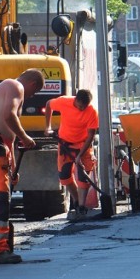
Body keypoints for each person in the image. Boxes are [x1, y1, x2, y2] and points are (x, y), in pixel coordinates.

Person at [0, 69, 44, 265]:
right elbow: (9, 116)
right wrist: (25, 137)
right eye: (34, 92)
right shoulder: (15, 86)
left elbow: (6, 134)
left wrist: (11, 166)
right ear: (33, 84)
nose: (31, 96)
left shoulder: (6, 87)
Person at [44, 89, 99, 219]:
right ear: (75, 100)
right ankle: (76, 201)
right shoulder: (64, 102)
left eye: (84, 107)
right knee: (64, 176)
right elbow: (48, 105)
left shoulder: (92, 111)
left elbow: (91, 135)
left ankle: (81, 206)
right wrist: (48, 127)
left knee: (82, 176)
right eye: (80, 106)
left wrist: (80, 155)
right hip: (65, 145)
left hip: (83, 146)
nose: (82, 109)